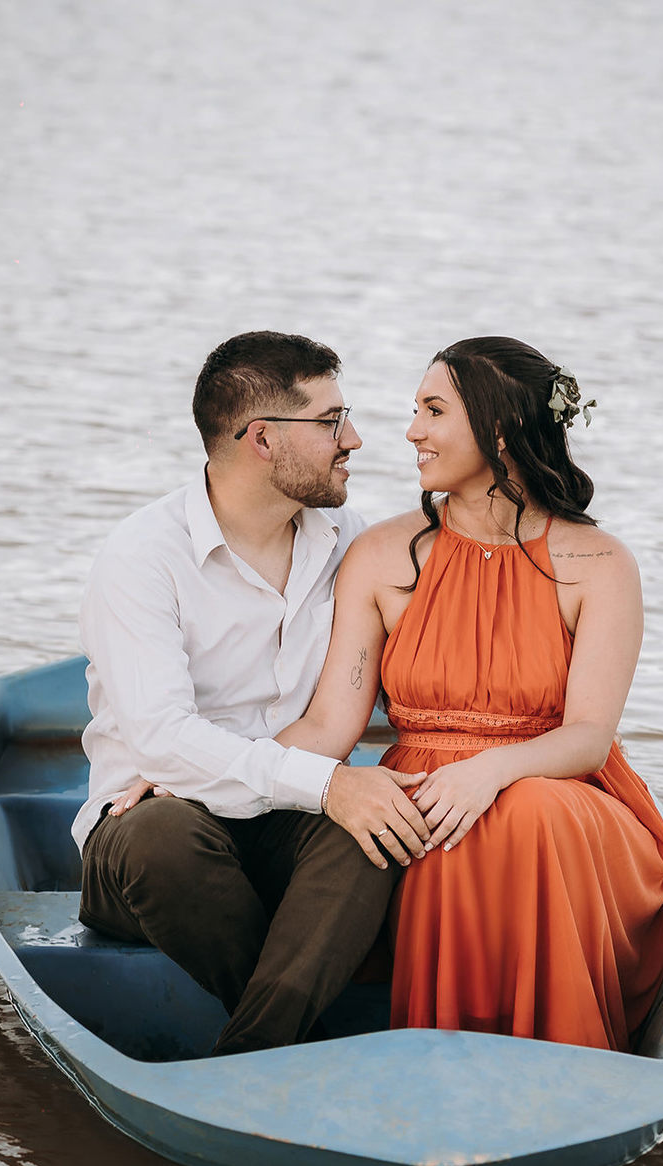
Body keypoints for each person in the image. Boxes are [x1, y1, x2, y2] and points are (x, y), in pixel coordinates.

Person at [274, 336, 663, 1051]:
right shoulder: (383, 557)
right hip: (428, 799)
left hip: (561, 794)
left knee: (524, 811)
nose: (411, 432)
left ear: (499, 429)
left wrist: (489, 772)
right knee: (430, 818)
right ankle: (442, 1066)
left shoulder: (598, 562)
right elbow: (329, 726)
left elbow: (588, 734)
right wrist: (205, 765)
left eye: (433, 411)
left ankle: (559, 1061)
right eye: (416, 410)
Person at [73, 330, 431, 1057]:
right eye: (331, 421)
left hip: (276, 820)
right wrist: (325, 782)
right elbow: (164, 741)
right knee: (165, 837)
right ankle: (306, 1048)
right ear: (262, 439)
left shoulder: (348, 541)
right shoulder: (142, 558)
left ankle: (257, 1055)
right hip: (146, 834)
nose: (355, 439)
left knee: (372, 830)